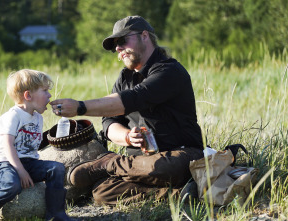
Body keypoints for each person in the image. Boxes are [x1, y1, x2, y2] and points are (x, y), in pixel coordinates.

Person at [49, 15, 204, 205]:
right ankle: (177, 195)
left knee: (166, 168)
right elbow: (109, 120)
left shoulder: (169, 71)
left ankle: (108, 163)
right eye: (115, 45)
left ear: (144, 36)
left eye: (122, 41)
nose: (118, 49)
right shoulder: (124, 78)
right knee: (102, 192)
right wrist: (127, 137)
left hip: (180, 155)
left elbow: (135, 98)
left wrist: (80, 107)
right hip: (138, 163)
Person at [0, 69, 72, 221]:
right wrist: (21, 171)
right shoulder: (12, 116)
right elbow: (8, 146)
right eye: (45, 91)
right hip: (6, 162)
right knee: (12, 186)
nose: (50, 95)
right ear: (28, 95)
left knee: (57, 168)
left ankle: (56, 214)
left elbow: (32, 143)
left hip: (29, 162)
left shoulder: (37, 118)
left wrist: (59, 134)